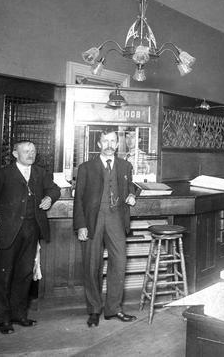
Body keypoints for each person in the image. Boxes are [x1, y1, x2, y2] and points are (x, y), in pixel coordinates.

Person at [0, 140, 60, 334]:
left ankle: (19, 314)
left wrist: (50, 197)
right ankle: (2, 318)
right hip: (7, 233)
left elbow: (54, 189)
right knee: (3, 275)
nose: (30, 154)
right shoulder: (3, 174)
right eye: (26, 151)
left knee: (24, 274)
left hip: (32, 231)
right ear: (15, 154)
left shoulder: (41, 173)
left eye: (33, 151)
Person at [74, 129, 138, 327]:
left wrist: (133, 194)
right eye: (105, 141)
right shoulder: (86, 167)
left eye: (113, 141)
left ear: (118, 145)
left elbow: (131, 186)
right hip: (93, 220)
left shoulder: (125, 166)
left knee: (119, 263)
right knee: (92, 265)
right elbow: (78, 200)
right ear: (99, 144)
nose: (109, 145)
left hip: (116, 219)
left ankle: (113, 309)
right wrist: (81, 225)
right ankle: (94, 310)